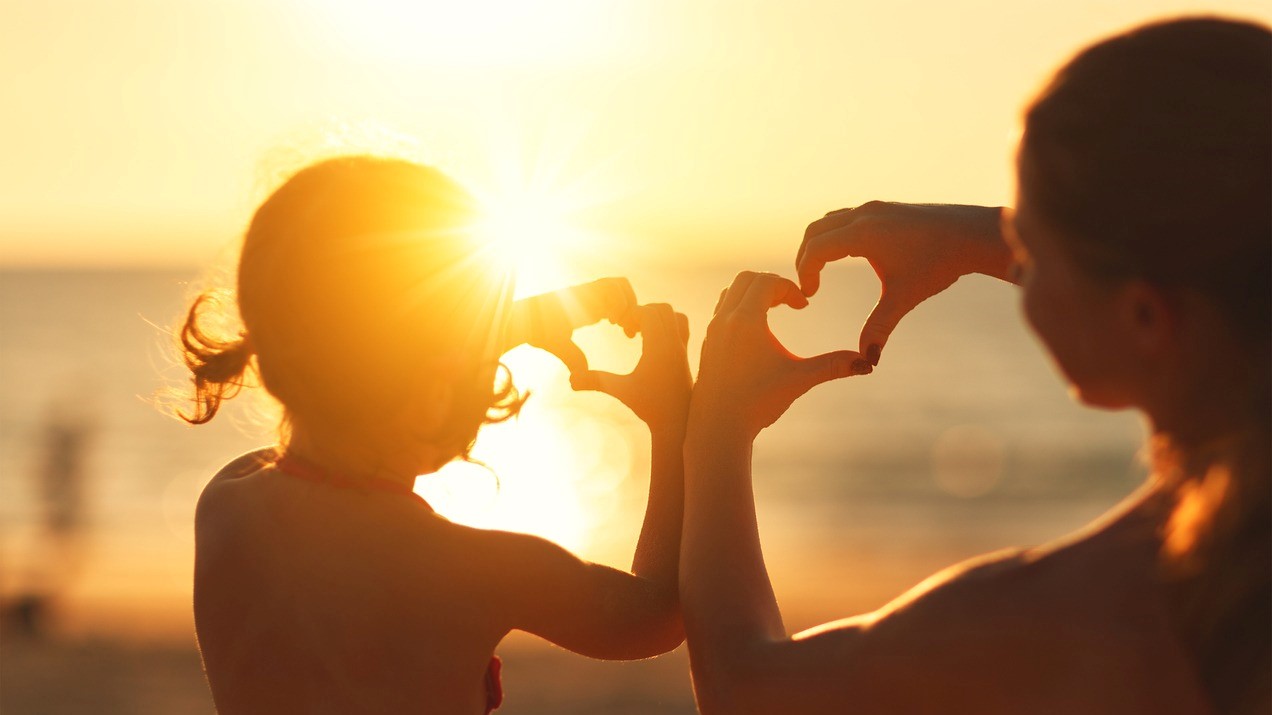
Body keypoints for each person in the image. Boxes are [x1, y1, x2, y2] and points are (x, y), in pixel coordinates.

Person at [680, 16, 1269, 715]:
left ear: (1145, 318)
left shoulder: (1080, 613)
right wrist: (968, 238)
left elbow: (743, 684)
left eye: (1031, 249)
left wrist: (716, 426)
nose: (1014, 261)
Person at [178, 155, 691, 713]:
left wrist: (483, 334)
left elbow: (359, 354)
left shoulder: (228, 505)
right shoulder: (476, 569)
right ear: (434, 391)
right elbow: (656, 615)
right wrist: (675, 427)